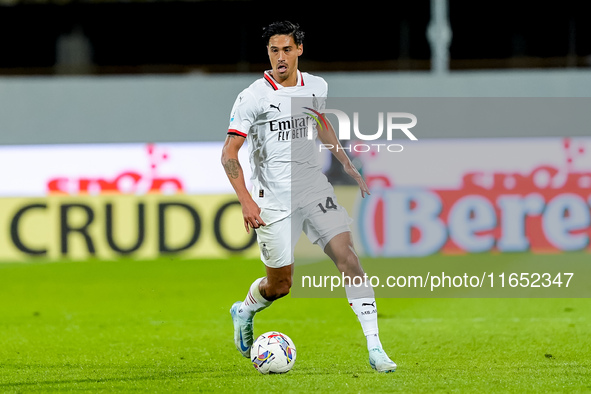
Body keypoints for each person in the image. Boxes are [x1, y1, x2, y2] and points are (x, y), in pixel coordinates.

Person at [221, 21, 397, 373]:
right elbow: (229, 153)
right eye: (274, 51)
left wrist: (346, 163)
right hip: (272, 198)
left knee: (349, 259)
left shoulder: (316, 86)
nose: (280, 57)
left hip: (314, 189)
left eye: (287, 49)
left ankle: (376, 348)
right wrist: (245, 200)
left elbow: (319, 122)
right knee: (280, 285)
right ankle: (245, 310)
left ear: (299, 49)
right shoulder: (253, 96)